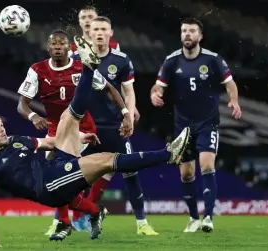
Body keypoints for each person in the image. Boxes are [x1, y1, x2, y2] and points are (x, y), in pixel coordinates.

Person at [0, 37, 191, 247]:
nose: (2, 128)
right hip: (48, 187)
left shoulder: (15, 141)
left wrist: (79, 137)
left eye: (0, 124)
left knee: (67, 118)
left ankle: (88, 69)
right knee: (107, 160)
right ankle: (169, 154)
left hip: (53, 166)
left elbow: (49, 143)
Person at [16, 30, 131, 238]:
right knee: (54, 180)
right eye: (54, 44)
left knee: (61, 177)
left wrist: (125, 113)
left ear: (70, 47)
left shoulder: (81, 67)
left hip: (81, 128)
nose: (58, 47)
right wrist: (33, 116)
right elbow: (21, 105)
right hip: (54, 128)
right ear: (48, 48)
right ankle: (88, 214)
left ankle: (66, 222)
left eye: (62, 43)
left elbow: (110, 88)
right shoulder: (37, 70)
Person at [150, 17, 242, 233]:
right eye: (184, 31)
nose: (187, 34)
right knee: (186, 174)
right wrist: (155, 94)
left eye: (192, 31)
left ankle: (208, 216)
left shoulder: (213, 60)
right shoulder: (171, 61)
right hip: (182, 125)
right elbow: (158, 85)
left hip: (207, 122)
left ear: (200, 36)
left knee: (207, 164)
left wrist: (234, 100)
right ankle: (193, 217)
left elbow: (229, 83)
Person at [71, 16, 158, 235]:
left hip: (113, 127)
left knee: (130, 172)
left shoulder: (121, 60)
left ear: (111, 33)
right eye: (95, 29)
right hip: (85, 128)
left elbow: (128, 92)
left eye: (103, 29)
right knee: (71, 175)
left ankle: (142, 224)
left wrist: (128, 117)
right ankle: (65, 222)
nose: (99, 32)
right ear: (89, 32)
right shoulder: (76, 58)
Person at [69, 6, 141, 122]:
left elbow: (120, 79)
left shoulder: (113, 46)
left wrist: (130, 108)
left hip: (109, 109)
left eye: (90, 17)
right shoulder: (72, 49)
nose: (87, 20)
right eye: (83, 17)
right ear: (79, 21)